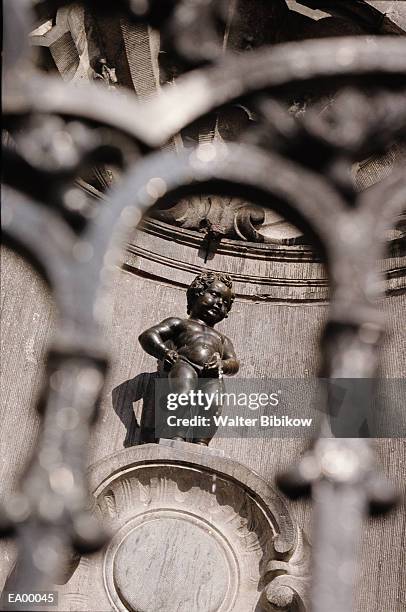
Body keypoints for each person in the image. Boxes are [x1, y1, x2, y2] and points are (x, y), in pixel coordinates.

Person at [138, 271, 240, 444]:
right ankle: (175, 435)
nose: (218, 303)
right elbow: (149, 335)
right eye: (214, 295)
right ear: (196, 294)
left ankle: (201, 442)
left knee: (213, 404)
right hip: (185, 364)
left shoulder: (222, 339)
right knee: (183, 393)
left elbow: (234, 363)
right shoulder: (180, 324)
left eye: (225, 302)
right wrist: (164, 352)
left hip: (212, 374)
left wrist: (222, 364)